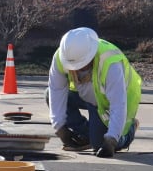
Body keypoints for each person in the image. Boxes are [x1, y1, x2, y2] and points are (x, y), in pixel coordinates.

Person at [47, 27, 141, 158]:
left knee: (100, 144)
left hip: (112, 101)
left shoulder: (110, 62)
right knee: (48, 94)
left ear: (91, 55)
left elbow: (118, 104)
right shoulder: (62, 57)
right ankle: (86, 135)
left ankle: (129, 132)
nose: (77, 69)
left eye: (81, 65)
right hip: (86, 96)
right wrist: (59, 128)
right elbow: (56, 90)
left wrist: (111, 140)